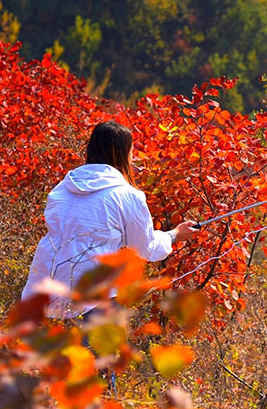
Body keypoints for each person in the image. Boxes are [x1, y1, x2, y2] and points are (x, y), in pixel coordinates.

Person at [21, 120, 198, 318]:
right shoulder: (127, 195)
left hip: (44, 290)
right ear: (122, 154)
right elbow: (145, 248)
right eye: (131, 151)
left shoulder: (63, 187)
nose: (133, 157)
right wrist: (173, 235)